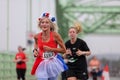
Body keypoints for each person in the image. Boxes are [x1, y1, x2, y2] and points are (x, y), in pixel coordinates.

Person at [31, 13, 68, 80]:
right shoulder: (36, 36)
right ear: (40, 24)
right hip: (41, 62)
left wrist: (51, 49)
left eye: (47, 22)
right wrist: (35, 50)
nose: (44, 24)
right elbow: (36, 44)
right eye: (42, 22)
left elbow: (64, 50)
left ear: (50, 25)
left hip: (53, 62)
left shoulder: (55, 35)